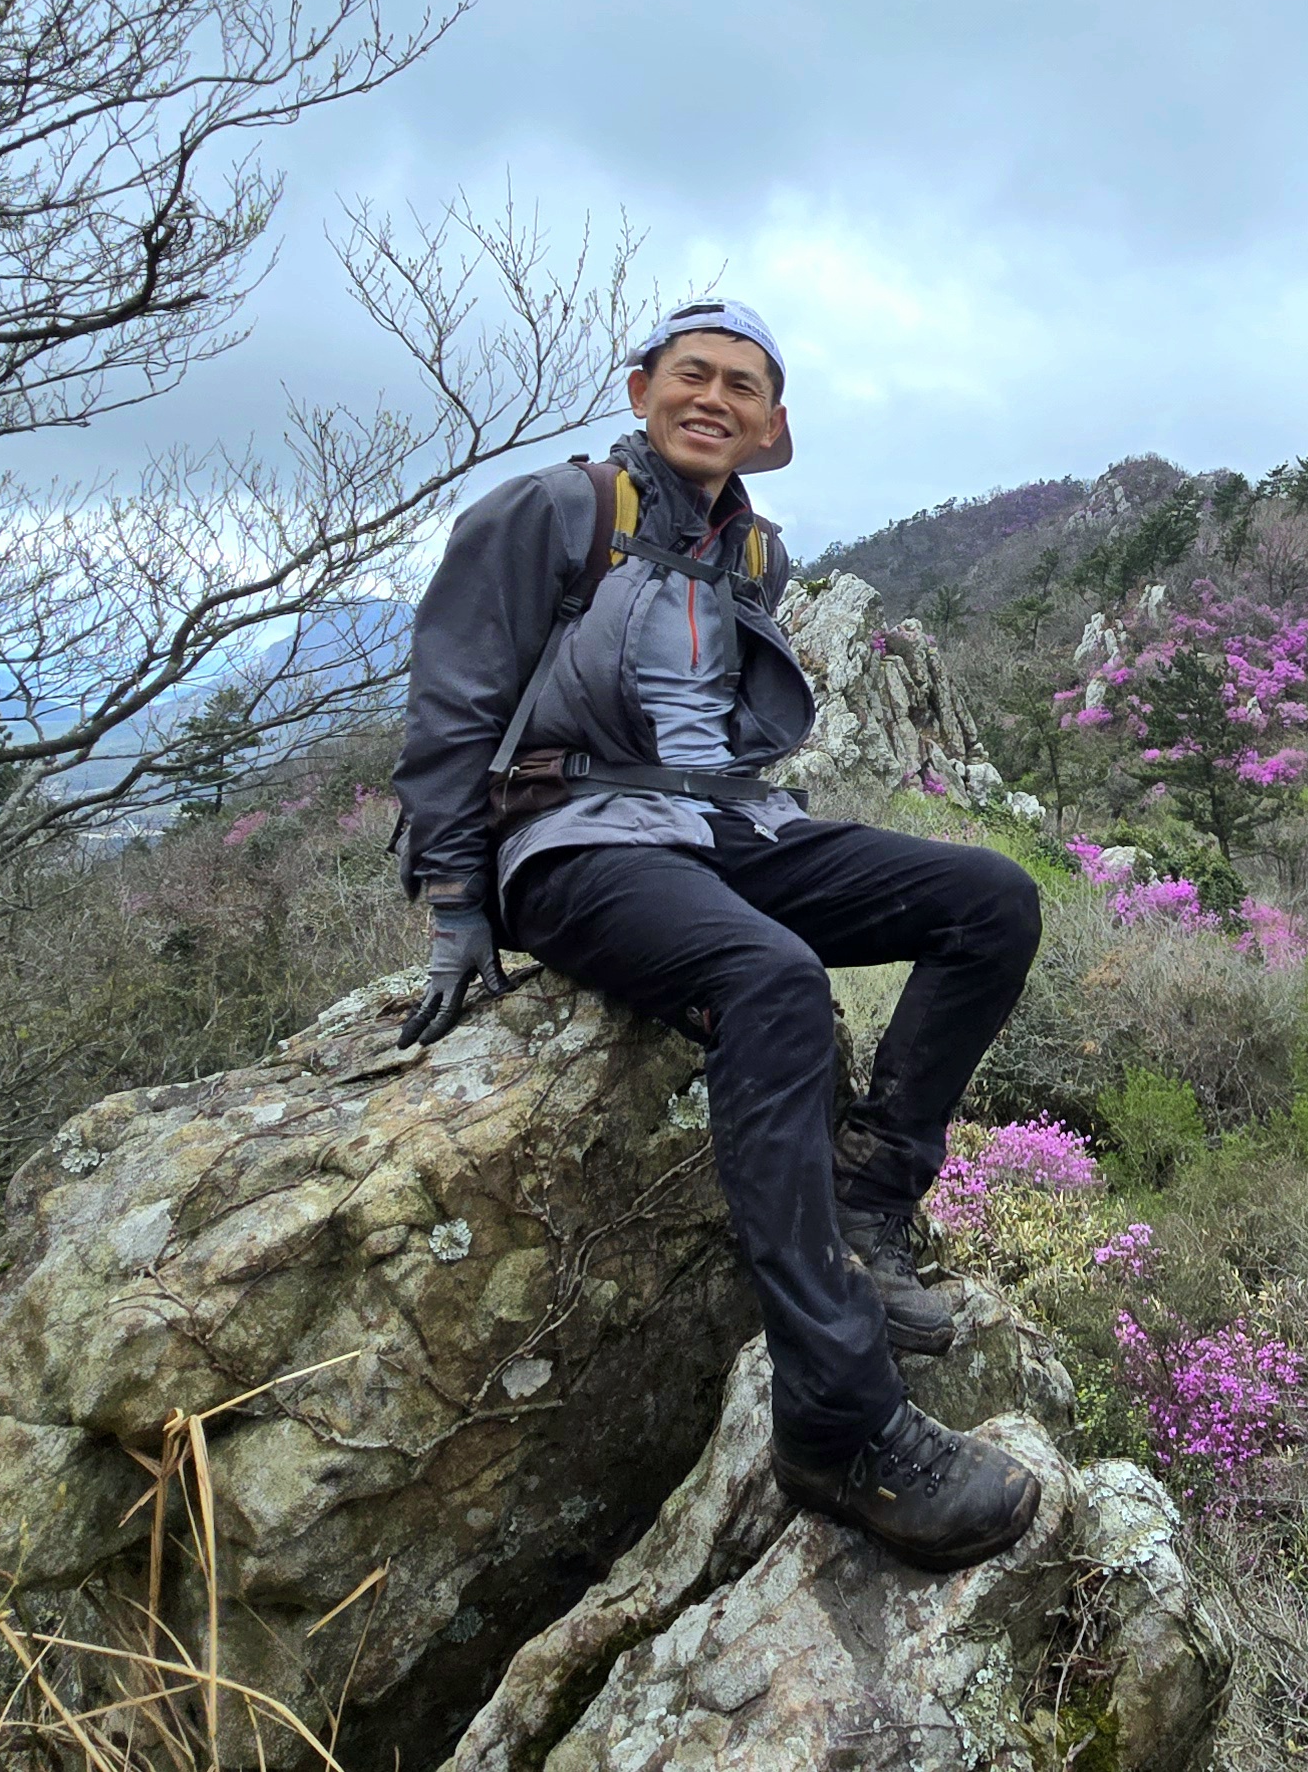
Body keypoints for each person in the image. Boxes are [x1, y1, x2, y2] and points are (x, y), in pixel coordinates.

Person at [386, 298, 1046, 1571]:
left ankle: (866, 1209)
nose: (714, 398)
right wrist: (458, 897)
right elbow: (453, 699)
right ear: (641, 388)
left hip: (729, 824)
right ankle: (840, 1422)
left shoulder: (755, 550)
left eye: (743, 385)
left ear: (768, 420)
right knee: (772, 980)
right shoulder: (556, 510)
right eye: (692, 373)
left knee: (990, 899)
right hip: (573, 836)